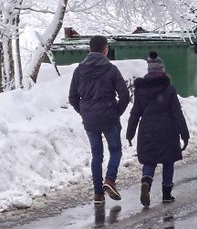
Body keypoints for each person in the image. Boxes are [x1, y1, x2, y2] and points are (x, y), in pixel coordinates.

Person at [67, 34, 130, 205]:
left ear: (89, 50)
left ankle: (98, 195)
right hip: (109, 114)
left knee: (96, 155)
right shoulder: (111, 69)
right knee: (115, 150)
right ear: (106, 50)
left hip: (90, 119)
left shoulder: (79, 70)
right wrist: (117, 111)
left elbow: (72, 97)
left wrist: (84, 111)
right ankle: (109, 180)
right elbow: (125, 95)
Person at [126, 51, 190, 207]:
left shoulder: (140, 89)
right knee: (168, 161)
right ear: (162, 70)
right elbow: (177, 112)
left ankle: (146, 181)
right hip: (167, 129)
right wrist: (184, 134)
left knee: (149, 160)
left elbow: (135, 113)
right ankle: (167, 194)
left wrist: (130, 133)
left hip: (147, 130)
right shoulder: (168, 89)